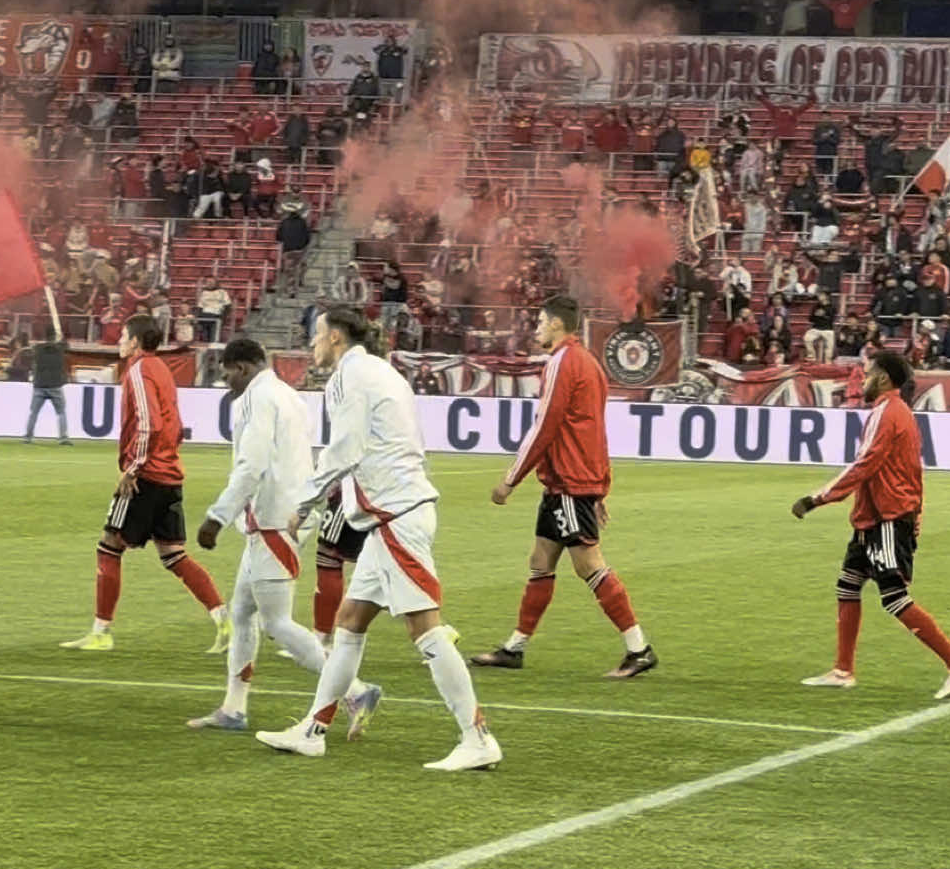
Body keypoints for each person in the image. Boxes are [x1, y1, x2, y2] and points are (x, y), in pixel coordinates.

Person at [255, 303, 501, 772]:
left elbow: (345, 449)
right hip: (395, 513)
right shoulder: (382, 372)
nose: (310, 344)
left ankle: (477, 736)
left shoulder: (348, 377)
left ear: (335, 338)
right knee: (349, 622)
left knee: (424, 627)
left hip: (394, 514)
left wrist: (303, 502)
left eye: (315, 334)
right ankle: (313, 729)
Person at [187, 338, 381, 736]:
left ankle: (355, 690)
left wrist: (217, 517)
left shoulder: (257, 401)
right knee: (242, 613)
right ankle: (234, 707)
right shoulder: (289, 396)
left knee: (276, 622)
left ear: (241, 368)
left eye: (226, 372)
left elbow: (251, 464)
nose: (225, 382)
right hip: (283, 515)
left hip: (274, 522)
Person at [469, 295, 656, 681]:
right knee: (540, 562)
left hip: (569, 481)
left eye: (540, 321)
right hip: (568, 481)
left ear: (557, 324)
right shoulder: (589, 363)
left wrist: (510, 479)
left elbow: (546, 425)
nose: (536, 328)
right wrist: (601, 487)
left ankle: (639, 648)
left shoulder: (562, 361)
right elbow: (593, 429)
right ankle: (514, 648)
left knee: (589, 564)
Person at [790, 349, 950, 700]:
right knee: (848, 587)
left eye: (869, 372)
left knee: (894, 597)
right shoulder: (895, 412)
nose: (863, 378)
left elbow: (865, 464)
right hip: (875, 518)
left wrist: (817, 498)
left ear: (885, 379)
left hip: (887, 519)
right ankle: (842, 670)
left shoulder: (888, 411)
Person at [60, 314, 229, 652]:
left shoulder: (138, 370)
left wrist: (133, 468)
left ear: (135, 341)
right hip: (168, 474)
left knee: (109, 545)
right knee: (173, 555)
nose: (119, 341)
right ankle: (223, 618)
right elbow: (174, 423)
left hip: (146, 476)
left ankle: (101, 632)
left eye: (123, 335)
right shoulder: (162, 369)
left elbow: (149, 423)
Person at [23, 328, 71, 444]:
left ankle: (28, 437)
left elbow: (30, 352)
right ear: (54, 337)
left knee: (33, 413)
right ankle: (63, 438)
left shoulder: (37, 348)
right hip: (55, 385)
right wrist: (60, 336)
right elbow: (66, 345)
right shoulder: (60, 348)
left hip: (40, 385)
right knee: (61, 412)